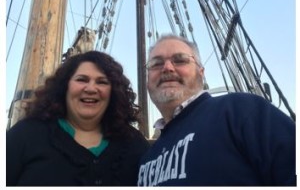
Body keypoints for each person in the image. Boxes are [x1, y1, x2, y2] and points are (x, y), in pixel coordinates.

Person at [137, 34, 296, 186]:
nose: (167, 68)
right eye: (156, 64)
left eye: (179, 60)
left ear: (201, 72)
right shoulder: (146, 158)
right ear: (147, 79)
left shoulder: (240, 111)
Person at [6, 51, 150, 186]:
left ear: (113, 92)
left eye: (102, 82)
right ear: (65, 87)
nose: (91, 88)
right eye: (82, 79)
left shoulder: (134, 143)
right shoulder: (26, 135)